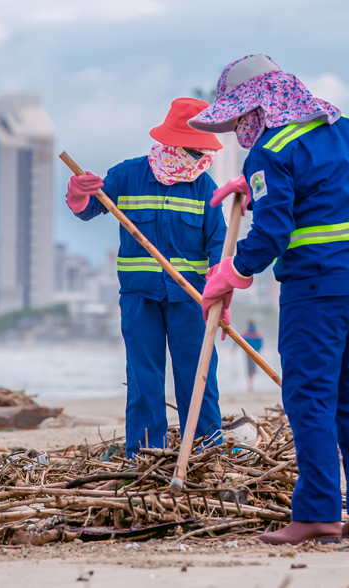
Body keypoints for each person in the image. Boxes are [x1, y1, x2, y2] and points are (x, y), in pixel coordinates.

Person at [193, 55, 349, 545]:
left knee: (311, 395)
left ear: (254, 106)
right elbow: (328, 188)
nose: (240, 127)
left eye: (240, 117)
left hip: (319, 286)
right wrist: (257, 187)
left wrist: (232, 273)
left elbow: (275, 230)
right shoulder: (340, 126)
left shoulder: (269, 147)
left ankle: (319, 515)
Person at [65, 97, 226, 458]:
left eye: (203, 150)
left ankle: (203, 449)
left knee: (198, 377)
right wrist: (79, 193)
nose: (200, 157)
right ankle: (146, 452)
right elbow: (89, 209)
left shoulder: (205, 187)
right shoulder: (129, 175)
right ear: (173, 143)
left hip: (192, 300)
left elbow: (219, 244)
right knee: (144, 377)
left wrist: (220, 293)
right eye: (195, 149)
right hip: (140, 297)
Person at [240, 321, 264, 393]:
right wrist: (262, 352)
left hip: (248, 353)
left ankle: (250, 383)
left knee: (249, 368)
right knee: (254, 368)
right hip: (256, 353)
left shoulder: (245, 333)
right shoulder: (257, 333)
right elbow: (261, 344)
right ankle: (251, 383)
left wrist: (234, 349)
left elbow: (239, 341)